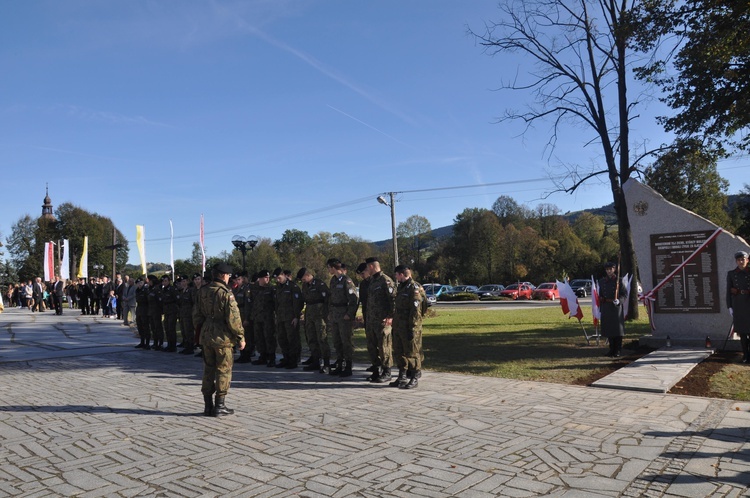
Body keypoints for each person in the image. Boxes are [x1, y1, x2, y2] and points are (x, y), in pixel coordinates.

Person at [193, 262, 246, 417]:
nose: (229, 278)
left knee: (208, 369)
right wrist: (240, 336)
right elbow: (234, 319)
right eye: (229, 275)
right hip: (222, 337)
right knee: (223, 370)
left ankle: (208, 406)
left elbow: (196, 315)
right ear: (223, 275)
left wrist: (201, 330)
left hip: (207, 335)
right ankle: (220, 406)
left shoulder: (202, 291)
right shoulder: (225, 293)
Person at [392, 265, 427, 389]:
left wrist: (413, 327)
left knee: (412, 352)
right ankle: (402, 376)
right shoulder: (401, 287)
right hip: (398, 326)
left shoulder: (414, 288)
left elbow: (417, 310)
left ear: (401, 274)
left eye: (396, 275)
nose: (395, 277)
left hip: (409, 326)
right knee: (399, 351)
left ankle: (414, 376)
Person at [365, 257, 395, 383]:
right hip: (371, 320)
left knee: (384, 347)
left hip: (383, 321)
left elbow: (393, 299)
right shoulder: (372, 281)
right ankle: (376, 370)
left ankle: (387, 371)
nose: (366, 270)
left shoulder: (385, 280)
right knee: (372, 346)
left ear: (371, 266)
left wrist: (390, 316)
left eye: (367, 267)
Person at [326, 259, 358, 377]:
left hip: (344, 315)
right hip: (335, 314)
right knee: (337, 341)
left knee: (346, 341)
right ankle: (340, 364)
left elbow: (353, 299)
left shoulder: (347, 281)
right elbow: (331, 298)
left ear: (334, 267)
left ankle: (348, 366)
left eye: (329, 267)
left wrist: (349, 314)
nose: (328, 270)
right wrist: (330, 312)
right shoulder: (333, 280)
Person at [297, 267, 331, 373]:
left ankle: (326, 363)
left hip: (319, 315)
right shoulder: (305, 286)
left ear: (307, 275)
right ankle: (316, 361)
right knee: (311, 338)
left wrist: (327, 314)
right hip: (309, 314)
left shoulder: (319, 284)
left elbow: (327, 299)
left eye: (302, 278)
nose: (302, 280)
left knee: (322, 338)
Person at [273, 268, 304, 369]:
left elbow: (298, 303)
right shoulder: (278, 287)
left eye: (279, 278)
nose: (278, 280)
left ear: (283, 275)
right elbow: (277, 303)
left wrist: (296, 317)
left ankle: (293, 360)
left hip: (290, 318)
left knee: (292, 339)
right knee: (282, 339)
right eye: (276, 279)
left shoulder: (292, 287)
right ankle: (286, 358)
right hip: (281, 317)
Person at [599, 261, 627, 357]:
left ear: (614, 269)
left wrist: (619, 301)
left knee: (617, 329)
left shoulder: (619, 280)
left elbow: (624, 294)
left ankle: (618, 350)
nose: (609, 271)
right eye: (607, 269)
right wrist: (601, 300)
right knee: (609, 329)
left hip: (616, 307)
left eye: (610, 269)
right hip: (606, 306)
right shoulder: (602, 281)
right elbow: (601, 294)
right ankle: (611, 349)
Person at [727, 250, 750, 363]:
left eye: (743, 259)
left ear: (747, 260)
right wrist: (729, 307)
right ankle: (745, 355)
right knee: (743, 332)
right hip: (739, 305)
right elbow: (728, 291)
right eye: (739, 260)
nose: (741, 261)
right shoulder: (731, 274)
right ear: (736, 261)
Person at [250, 270, 277, 367]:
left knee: (269, 337)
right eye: (265, 277)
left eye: (268, 277)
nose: (268, 279)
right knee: (259, 337)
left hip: (267, 317)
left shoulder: (271, 289)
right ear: (260, 278)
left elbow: (275, 303)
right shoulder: (253, 288)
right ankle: (262, 356)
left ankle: (272, 357)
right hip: (257, 317)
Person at [160, 275, 179, 352]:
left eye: (166, 281)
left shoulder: (172, 289)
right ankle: (169, 344)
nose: (164, 282)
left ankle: (173, 346)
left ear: (169, 281)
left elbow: (177, 300)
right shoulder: (163, 290)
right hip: (166, 311)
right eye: (163, 281)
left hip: (172, 311)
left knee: (171, 328)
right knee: (167, 328)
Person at [134, 277, 151, 349]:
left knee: (146, 327)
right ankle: (142, 342)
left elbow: (148, 301)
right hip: (139, 309)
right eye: (138, 283)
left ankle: (147, 343)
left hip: (145, 309)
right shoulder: (137, 290)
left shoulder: (146, 290)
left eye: (141, 283)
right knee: (140, 326)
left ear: (143, 283)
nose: (139, 284)